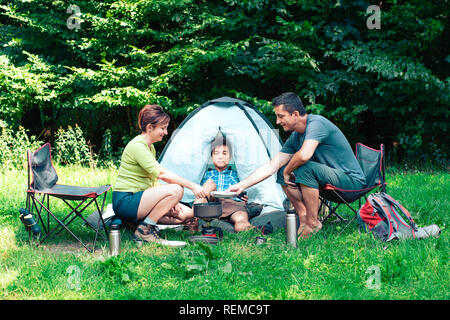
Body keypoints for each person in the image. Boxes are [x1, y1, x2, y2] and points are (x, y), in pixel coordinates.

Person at [227, 92, 366, 239]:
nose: (277, 121)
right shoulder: (296, 136)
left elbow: (304, 155)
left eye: (281, 116)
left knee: (304, 168)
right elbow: (271, 166)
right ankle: (304, 218)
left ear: (295, 114)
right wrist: (242, 185)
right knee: (281, 170)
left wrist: (288, 170)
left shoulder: (317, 124)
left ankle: (312, 223)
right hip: (328, 185)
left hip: (351, 184)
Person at [112, 104, 207, 245]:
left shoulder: (150, 148)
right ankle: (145, 230)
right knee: (177, 189)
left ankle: (135, 223)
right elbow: (161, 174)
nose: (166, 132)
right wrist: (191, 186)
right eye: (163, 128)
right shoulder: (137, 146)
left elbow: (153, 180)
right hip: (126, 200)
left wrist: (170, 201)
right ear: (150, 127)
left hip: (140, 199)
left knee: (184, 215)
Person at [194, 136, 253, 233]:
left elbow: (242, 190)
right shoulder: (206, 174)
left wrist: (244, 197)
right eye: (216, 153)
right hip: (212, 205)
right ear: (211, 157)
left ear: (230, 158)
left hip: (232, 205)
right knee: (209, 183)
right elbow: (202, 193)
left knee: (241, 220)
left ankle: (250, 229)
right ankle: (193, 218)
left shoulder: (235, 174)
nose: (220, 156)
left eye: (224, 153)